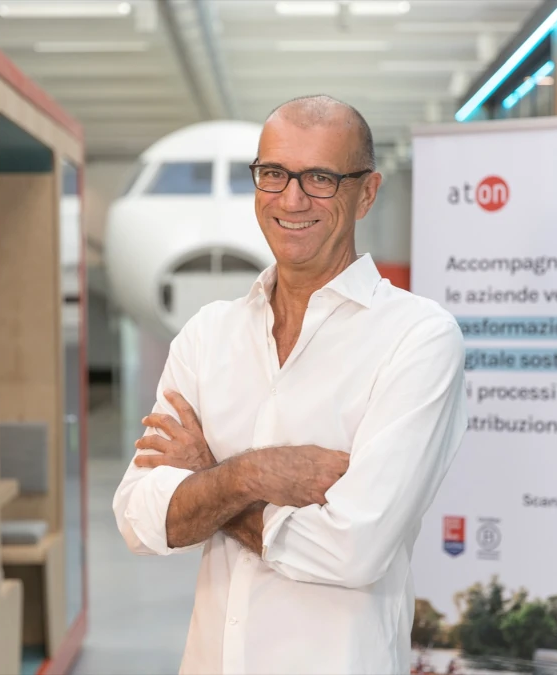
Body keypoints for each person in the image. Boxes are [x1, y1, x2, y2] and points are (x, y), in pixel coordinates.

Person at [113, 94, 468, 674]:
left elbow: (352, 550)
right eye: (273, 173)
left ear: (367, 193)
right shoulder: (207, 335)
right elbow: (139, 518)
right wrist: (252, 474)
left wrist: (209, 482)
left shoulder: (418, 338)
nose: (291, 198)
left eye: (320, 178)